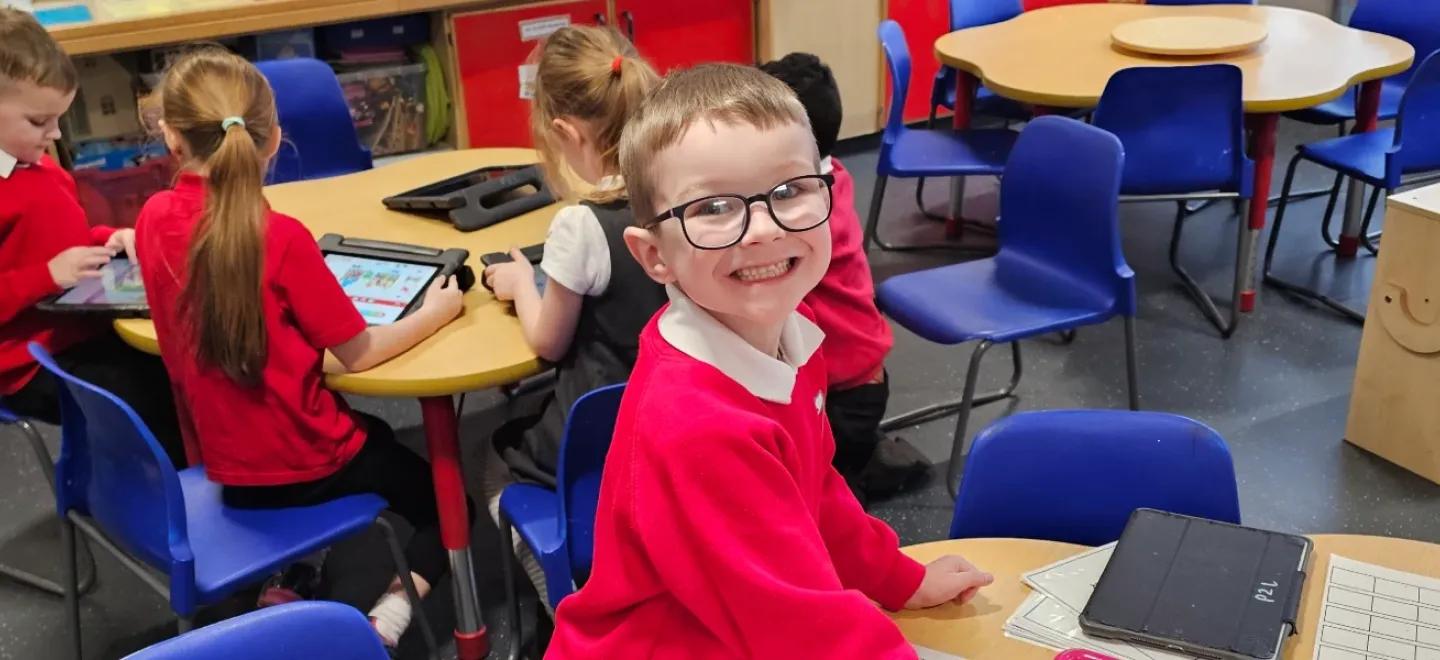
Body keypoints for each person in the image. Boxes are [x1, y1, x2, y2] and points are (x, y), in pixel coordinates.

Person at [547, 63, 993, 658]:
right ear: (654, 257)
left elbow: (815, 493)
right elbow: (796, 628)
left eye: (789, 191)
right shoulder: (697, 426)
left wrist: (897, 577)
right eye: (711, 209)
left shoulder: (791, 335)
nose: (761, 229)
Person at [134, 47, 464, 650]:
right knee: (448, 502)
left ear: (172, 140)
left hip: (221, 467)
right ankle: (384, 623)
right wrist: (438, 311)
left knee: (371, 443)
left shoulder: (152, 219)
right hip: (308, 461)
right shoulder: (281, 238)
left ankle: (290, 576)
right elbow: (359, 353)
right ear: (273, 137)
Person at [483, 25, 665, 489]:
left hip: (610, 431)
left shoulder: (582, 226)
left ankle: (542, 561)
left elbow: (548, 343)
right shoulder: (680, 193)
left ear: (565, 131)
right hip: (673, 413)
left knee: (493, 468)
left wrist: (523, 283)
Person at [0, 7, 183, 466]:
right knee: (146, 393)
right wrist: (46, 275)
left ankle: (199, 477)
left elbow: (65, 237)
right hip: (27, 362)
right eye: (39, 121)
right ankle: (171, 501)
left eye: (58, 119)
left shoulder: (36, 164)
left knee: (186, 362)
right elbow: (44, 265)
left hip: (78, 327)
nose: (56, 133)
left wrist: (107, 239)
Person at [760, 52, 929, 504]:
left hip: (847, 394)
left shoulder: (804, 217)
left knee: (817, 499)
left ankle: (863, 469)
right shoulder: (831, 175)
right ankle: (866, 461)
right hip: (856, 377)